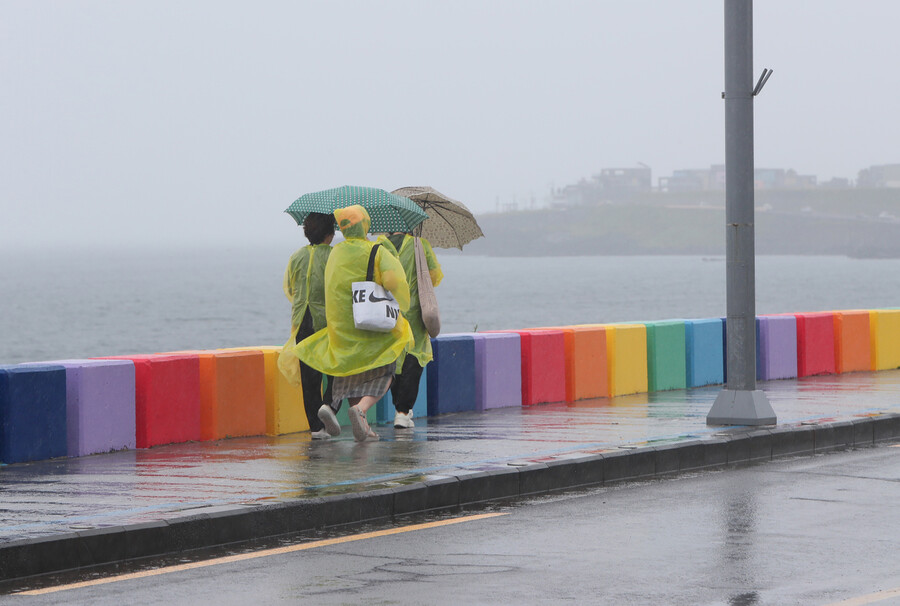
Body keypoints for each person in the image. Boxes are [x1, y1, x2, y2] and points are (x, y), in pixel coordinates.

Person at [294, 205, 413, 442]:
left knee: (347, 372)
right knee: (386, 370)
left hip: (340, 327)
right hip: (369, 324)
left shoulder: (336, 252)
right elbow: (393, 281)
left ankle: (335, 410)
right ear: (365, 225)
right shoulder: (376, 250)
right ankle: (361, 409)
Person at [377, 232, 442, 428]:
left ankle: (401, 408)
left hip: (388, 313)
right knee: (414, 358)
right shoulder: (419, 244)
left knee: (393, 362)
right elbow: (434, 276)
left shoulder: (380, 245)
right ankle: (402, 412)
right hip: (414, 313)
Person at [283, 212, 335, 439]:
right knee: (336, 369)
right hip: (327, 320)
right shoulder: (334, 256)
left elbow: (289, 287)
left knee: (309, 377)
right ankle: (330, 406)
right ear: (330, 234)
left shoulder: (297, 256)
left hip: (301, 320)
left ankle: (316, 427)